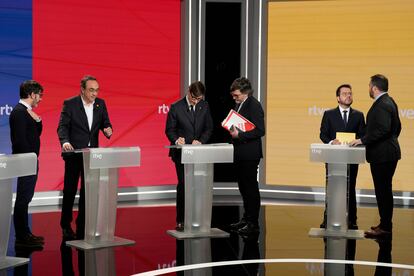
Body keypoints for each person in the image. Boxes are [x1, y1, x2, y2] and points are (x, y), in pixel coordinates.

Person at [57, 75, 113, 240]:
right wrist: (65, 142)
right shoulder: (70, 104)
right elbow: (62, 127)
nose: (94, 93)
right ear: (82, 90)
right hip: (74, 153)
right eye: (91, 90)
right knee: (70, 190)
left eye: (96, 90)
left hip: (92, 155)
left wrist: (108, 129)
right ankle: (65, 225)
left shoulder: (100, 104)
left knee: (88, 191)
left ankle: (83, 222)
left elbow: (105, 122)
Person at [350, 74, 401, 239]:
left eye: (369, 86)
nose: (368, 89)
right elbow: (397, 127)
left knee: (383, 191)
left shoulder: (382, 104)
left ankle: (385, 227)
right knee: (384, 190)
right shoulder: (389, 101)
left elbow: (383, 129)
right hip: (387, 153)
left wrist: (361, 140)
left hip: (383, 155)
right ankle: (385, 224)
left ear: (374, 88)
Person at [165, 81, 213, 231]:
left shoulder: (204, 106)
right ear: (188, 91)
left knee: (198, 186)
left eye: (199, 99)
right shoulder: (176, 107)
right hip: (182, 154)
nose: (196, 101)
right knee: (184, 185)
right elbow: (169, 130)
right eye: (194, 98)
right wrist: (176, 139)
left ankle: (197, 217)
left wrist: (201, 140)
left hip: (199, 153)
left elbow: (209, 127)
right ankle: (181, 219)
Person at [319, 84, 365, 229]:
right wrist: (332, 141)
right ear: (338, 98)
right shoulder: (329, 114)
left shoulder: (358, 115)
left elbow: (363, 135)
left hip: (351, 158)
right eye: (345, 94)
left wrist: (356, 141)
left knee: (350, 188)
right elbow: (323, 134)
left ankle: (352, 219)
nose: (348, 96)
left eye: (350, 93)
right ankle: (327, 218)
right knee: (331, 189)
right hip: (333, 158)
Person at [9, 80, 45, 248]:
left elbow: (35, 134)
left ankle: (26, 233)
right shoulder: (18, 112)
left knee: (26, 198)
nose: (41, 99)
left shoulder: (27, 112)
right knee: (23, 199)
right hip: (25, 161)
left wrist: (37, 120)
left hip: (30, 160)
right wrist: (29, 158)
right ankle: (22, 236)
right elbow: (19, 141)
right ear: (32, 94)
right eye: (40, 95)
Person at [228, 77, 265, 236]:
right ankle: (246, 218)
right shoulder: (240, 104)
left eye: (236, 95)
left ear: (246, 92)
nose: (234, 98)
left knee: (250, 188)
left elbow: (260, 130)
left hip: (250, 154)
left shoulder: (254, 105)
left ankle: (253, 223)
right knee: (243, 187)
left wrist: (240, 135)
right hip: (241, 153)